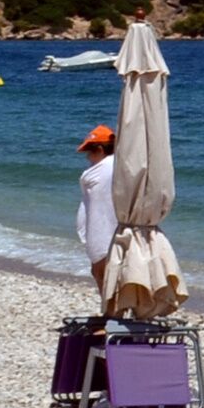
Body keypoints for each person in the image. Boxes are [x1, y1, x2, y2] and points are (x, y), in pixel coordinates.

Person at [75, 124, 117, 304]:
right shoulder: (120, 165)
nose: (87, 157)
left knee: (100, 271)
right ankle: (113, 310)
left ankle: (111, 311)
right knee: (104, 271)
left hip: (103, 229)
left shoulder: (97, 172)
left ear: (100, 149)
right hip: (111, 226)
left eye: (90, 152)